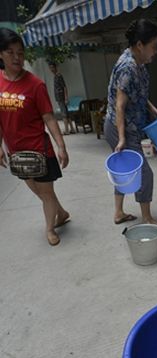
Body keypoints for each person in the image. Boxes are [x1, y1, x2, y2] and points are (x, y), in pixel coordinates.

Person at [0, 29, 70, 246]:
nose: (16, 57)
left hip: (40, 150)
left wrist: (61, 145)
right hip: (17, 152)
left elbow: (49, 118)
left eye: (20, 53)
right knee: (37, 189)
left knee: (46, 191)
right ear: (0, 54)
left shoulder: (35, 84)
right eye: (10, 52)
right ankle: (61, 212)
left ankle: (49, 228)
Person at [104, 19, 157, 226]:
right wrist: (121, 138)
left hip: (127, 126)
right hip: (120, 127)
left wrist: (154, 110)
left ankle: (118, 213)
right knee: (144, 172)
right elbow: (120, 106)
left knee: (124, 171)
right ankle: (147, 217)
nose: (155, 52)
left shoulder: (139, 64)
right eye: (153, 47)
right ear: (140, 45)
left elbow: (137, 95)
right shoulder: (128, 67)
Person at [48, 62, 76, 135]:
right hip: (59, 98)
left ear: (55, 67)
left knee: (64, 114)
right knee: (66, 113)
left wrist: (66, 98)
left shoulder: (59, 76)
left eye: (52, 67)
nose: (51, 69)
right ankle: (72, 129)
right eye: (50, 68)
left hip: (62, 98)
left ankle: (66, 130)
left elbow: (64, 87)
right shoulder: (55, 76)